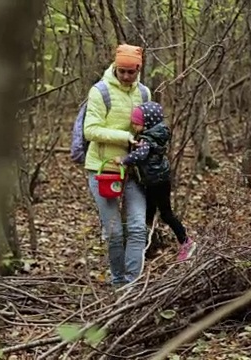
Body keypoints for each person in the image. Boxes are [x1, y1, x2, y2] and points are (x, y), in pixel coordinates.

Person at [83, 44, 151, 287]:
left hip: (133, 170)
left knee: (137, 228)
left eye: (131, 72)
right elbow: (90, 130)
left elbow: (148, 128)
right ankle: (118, 284)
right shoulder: (99, 91)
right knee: (114, 233)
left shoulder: (143, 93)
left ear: (138, 69)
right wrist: (124, 137)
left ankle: (131, 288)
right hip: (102, 169)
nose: (125, 76)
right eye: (121, 71)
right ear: (115, 67)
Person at [113, 101, 197, 261]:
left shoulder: (147, 139)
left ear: (147, 123)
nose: (134, 126)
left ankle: (186, 242)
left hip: (157, 181)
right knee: (148, 213)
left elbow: (140, 156)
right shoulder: (156, 136)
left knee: (166, 214)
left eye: (136, 124)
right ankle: (144, 246)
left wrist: (123, 160)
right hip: (156, 180)